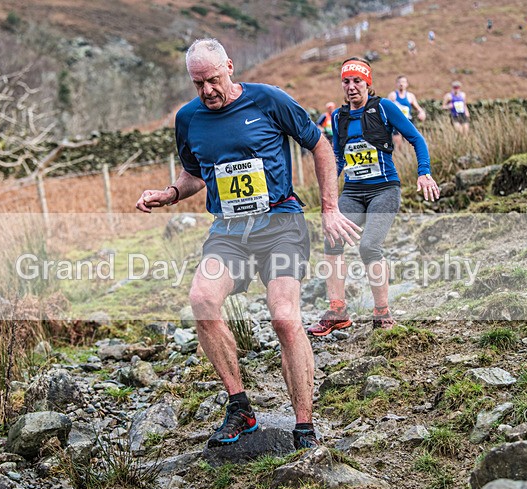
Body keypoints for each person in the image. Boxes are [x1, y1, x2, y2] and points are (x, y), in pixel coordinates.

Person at [136, 38, 360, 450]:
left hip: (280, 223)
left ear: (230, 68)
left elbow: (319, 145)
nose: (207, 91)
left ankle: (305, 426)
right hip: (230, 231)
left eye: (214, 80)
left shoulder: (269, 100)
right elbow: (194, 174)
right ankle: (240, 407)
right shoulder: (188, 119)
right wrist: (168, 193)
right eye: (198, 83)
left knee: (284, 317)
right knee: (202, 299)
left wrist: (329, 207)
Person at [307, 58, 438, 337]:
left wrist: (424, 172)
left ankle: (382, 314)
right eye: (346, 81)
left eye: (357, 81)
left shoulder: (384, 108)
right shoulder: (340, 117)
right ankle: (337, 311)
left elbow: (416, 138)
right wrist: (328, 192)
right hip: (353, 193)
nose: (352, 87)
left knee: (368, 247)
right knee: (332, 238)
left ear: (368, 83)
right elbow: (339, 159)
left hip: (384, 190)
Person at [386, 75, 427, 150]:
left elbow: (418, 108)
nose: (401, 84)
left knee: (409, 145)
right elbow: (385, 109)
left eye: (403, 82)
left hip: (408, 122)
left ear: (407, 84)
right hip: (396, 123)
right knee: (398, 145)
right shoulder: (392, 95)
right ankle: (398, 159)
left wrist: (421, 113)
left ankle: (407, 160)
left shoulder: (410, 96)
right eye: (399, 82)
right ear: (396, 84)